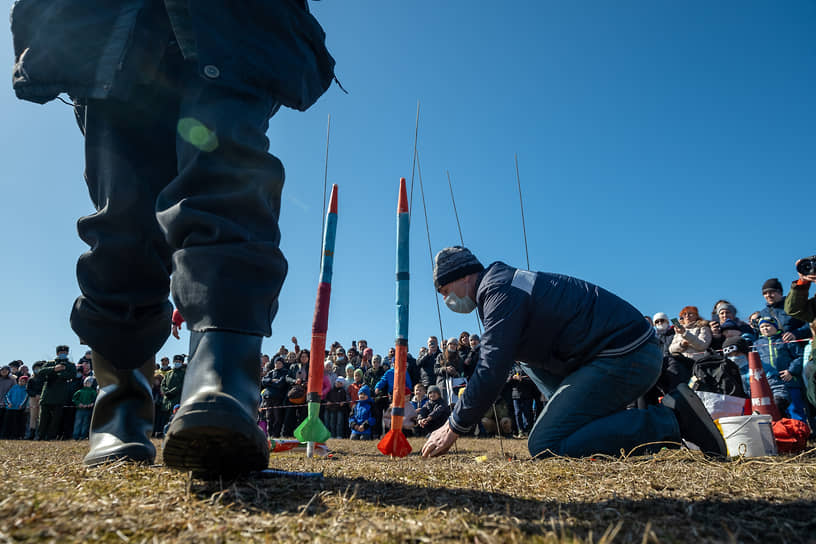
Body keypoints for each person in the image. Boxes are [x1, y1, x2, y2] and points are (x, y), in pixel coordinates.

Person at [11, 0, 335, 474]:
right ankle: (121, 403)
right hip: (112, 26)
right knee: (122, 219)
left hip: (233, 26)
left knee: (226, 186)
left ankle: (223, 382)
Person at [421, 246, 727, 459]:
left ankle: (669, 422)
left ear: (463, 275)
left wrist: (453, 425)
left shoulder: (498, 291)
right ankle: (607, 424)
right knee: (524, 360)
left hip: (626, 355)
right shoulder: (503, 284)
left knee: (545, 444)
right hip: (621, 353)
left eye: (444, 290)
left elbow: (491, 367)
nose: (446, 300)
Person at [754, 317, 805, 421]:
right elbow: (754, 363)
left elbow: (799, 356)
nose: (765, 329)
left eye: (768, 326)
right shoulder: (756, 344)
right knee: (777, 411)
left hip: (789, 380)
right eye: (762, 327)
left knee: (795, 409)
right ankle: (784, 435)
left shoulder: (784, 340)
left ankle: (802, 434)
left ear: (775, 327)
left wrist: (791, 371)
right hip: (770, 384)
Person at [37, 346, 77, 441]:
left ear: (67, 353)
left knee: (56, 419)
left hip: (60, 395)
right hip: (47, 394)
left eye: (64, 352)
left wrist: (61, 372)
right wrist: (54, 369)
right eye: (60, 352)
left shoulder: (70, 365)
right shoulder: (50, 363)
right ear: (57, 353)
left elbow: (72, 375)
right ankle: (40, 436)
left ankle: (51, 437)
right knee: (43, 418)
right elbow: (40, 372)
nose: (62, 353)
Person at [2, 374, 29, 439]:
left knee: (17, 423)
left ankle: (16, 436)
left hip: (19, 409)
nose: (22, 382)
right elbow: (7, 396)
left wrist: (21, 405)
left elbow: (25, 398)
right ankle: (6, 435)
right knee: (8, 423)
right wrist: (9, 403)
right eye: (21, 380)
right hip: (10, 408)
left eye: (24, 381)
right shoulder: (14, 387)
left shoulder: (26, 389)